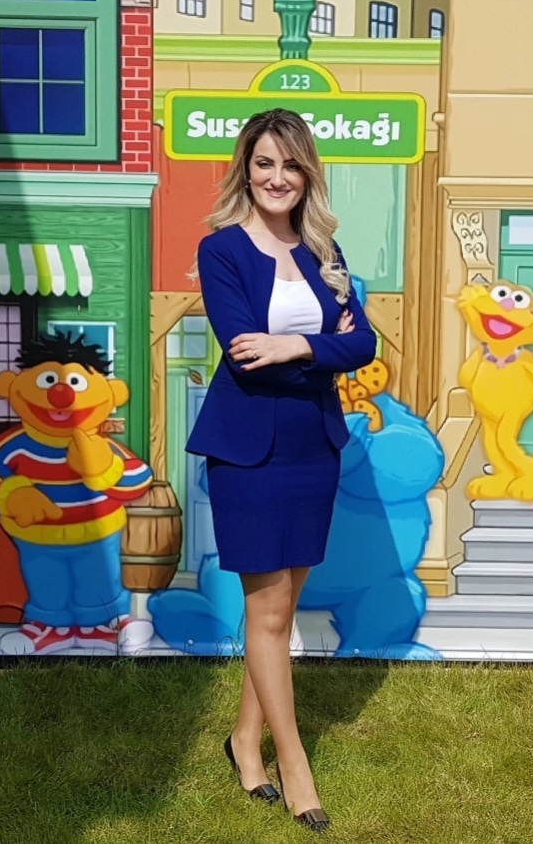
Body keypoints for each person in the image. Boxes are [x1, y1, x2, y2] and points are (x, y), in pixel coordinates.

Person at [186, 108, 377, 832]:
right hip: (250, 452)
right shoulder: (221, 250)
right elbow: (244, 353)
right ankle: (294, 763)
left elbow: (363, 344)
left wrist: (296, 347)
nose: (277, 177)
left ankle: (244, 739)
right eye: (264, 162)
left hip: (312, 446)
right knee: (266, 612)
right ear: (246, 168)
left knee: (279, 610)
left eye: (290, 164)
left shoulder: (326, 250)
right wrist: (321, 348)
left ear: (307, 174)